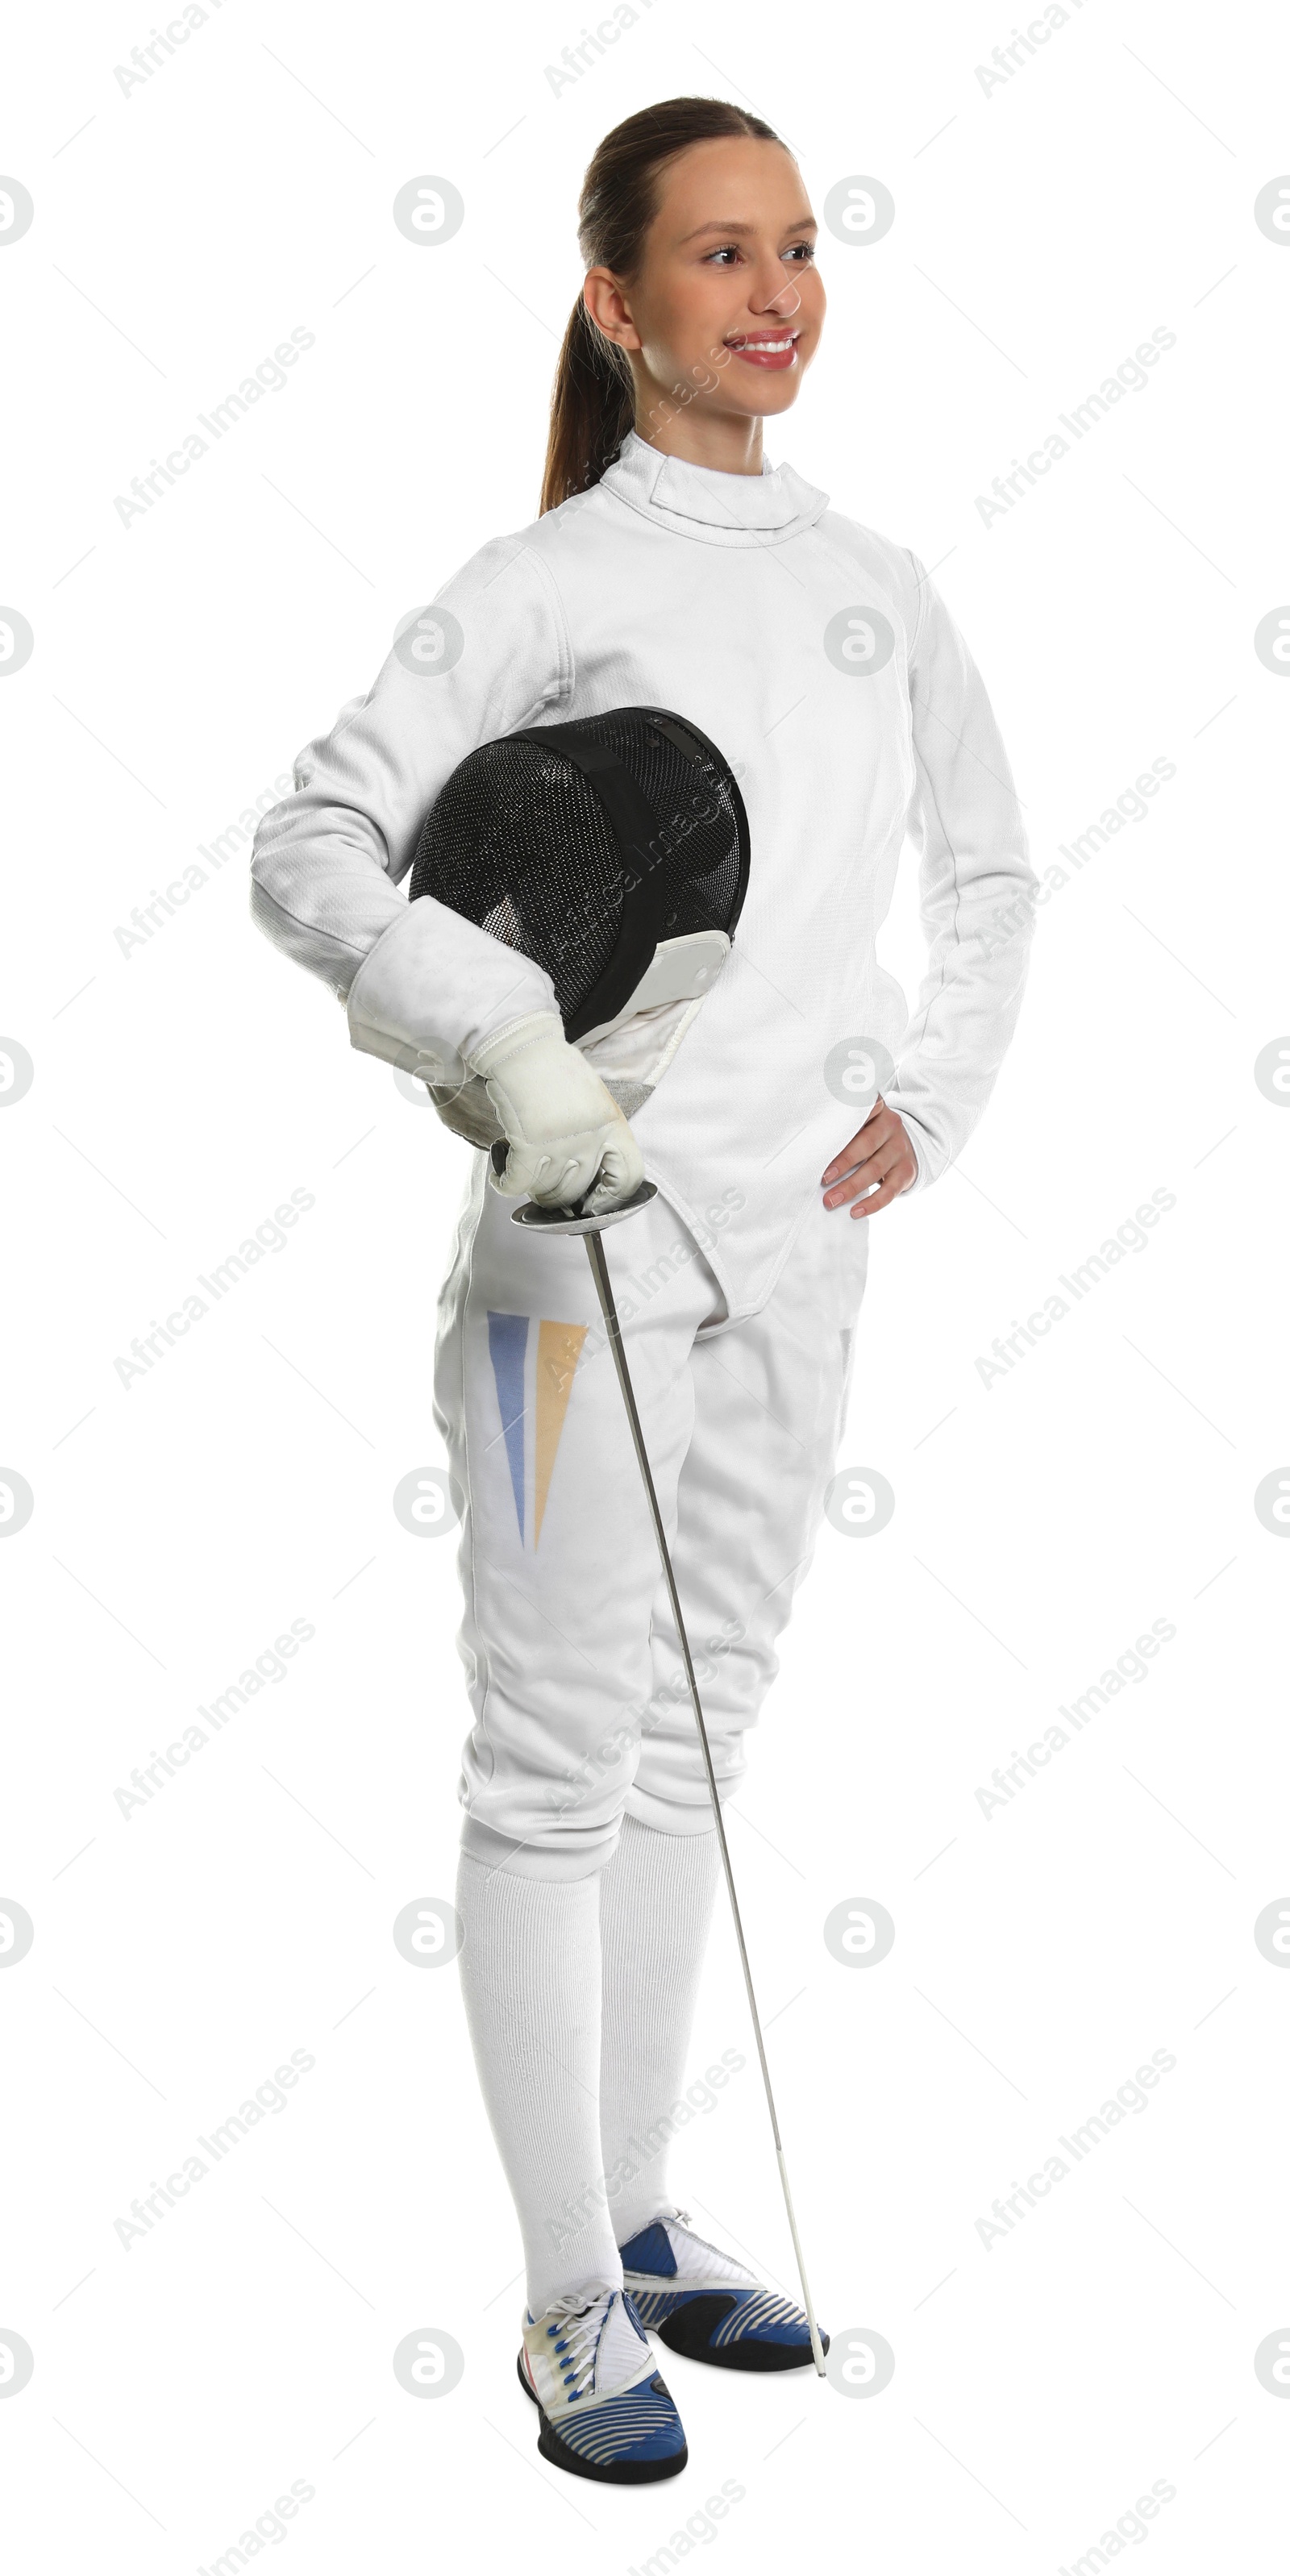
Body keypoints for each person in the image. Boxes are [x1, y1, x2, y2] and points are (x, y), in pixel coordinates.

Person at [251, 96, 1037, 2487]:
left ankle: (649, 2203)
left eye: (798, 245)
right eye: (718, 254)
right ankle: (566, 2295)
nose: (775, 290)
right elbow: (307, 845)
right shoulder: (538, 578)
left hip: (794, 1253)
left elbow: (992, 867)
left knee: (706, 1738)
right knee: (555, 1756)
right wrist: (494, 1033)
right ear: (617, 299)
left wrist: (929, 1092)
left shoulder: (878, 579)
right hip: (560, 1272)